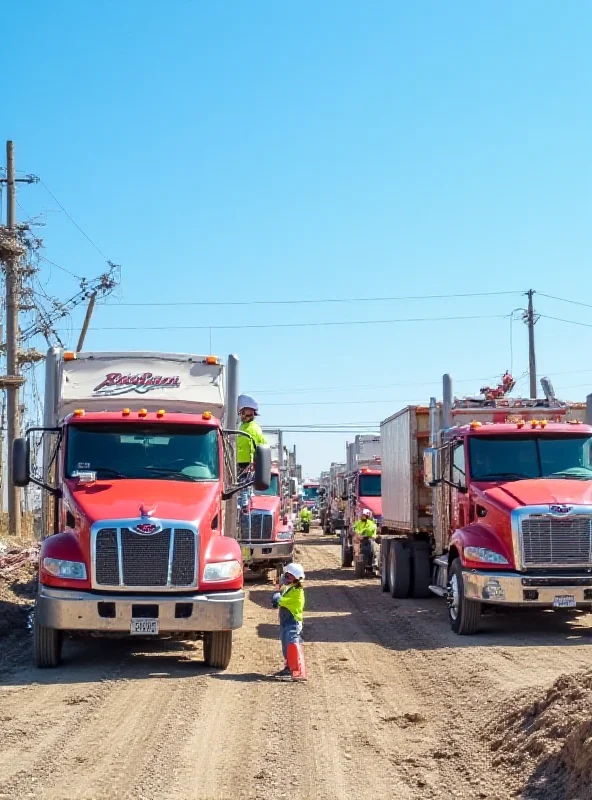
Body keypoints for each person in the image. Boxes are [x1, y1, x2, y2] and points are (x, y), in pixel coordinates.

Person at [272, 562, 306, 681]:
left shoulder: (297, 592)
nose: (285, 578)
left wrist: (277, 598)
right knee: (286, 645)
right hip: (286, 621)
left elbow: (283, 601)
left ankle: (295, 670)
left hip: (293, 622)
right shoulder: (291, 588)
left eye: (288, 576)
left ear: (296, 578)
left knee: (292, 645)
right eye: (285, 575)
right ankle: (289, 667)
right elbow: (283, 589)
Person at [237, 394, 266, 471]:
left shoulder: (253, 429)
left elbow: (263, 450)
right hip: (240, 468)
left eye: (242, 412)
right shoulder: (242, 427)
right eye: (240, 413)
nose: (241, 416)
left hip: (248, 469)